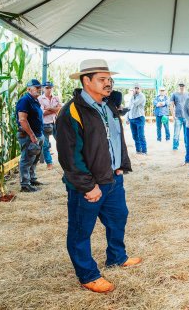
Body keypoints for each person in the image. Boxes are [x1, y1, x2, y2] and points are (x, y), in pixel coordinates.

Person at [54, 59, 141, 293]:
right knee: (81, 230)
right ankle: (88, 274)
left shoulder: (108, 106)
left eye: (109, 79)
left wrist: (120, 165)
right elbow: (69, 156)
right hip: (89, 185)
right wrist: (87, 186)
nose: (108, 84)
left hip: (113, 179)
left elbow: (115, 138)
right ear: (86, 81)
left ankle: (116, 257)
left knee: (118, 217)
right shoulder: (71, 112)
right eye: (102, 79)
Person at [17, 79, 45, 192]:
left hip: (38, 134)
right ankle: (25, 184)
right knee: (27, 159)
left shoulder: (34, 100)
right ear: (28, 89)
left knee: (34, 158)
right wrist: (32, 135)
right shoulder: (24, 100)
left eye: (40, 87)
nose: (39, 89)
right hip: (28, 135)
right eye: (36, 87)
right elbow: (22, 120)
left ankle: (32, 179)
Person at [38, 81, 63, 170]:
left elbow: (61, 109)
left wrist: (50, 108)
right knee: (45, 145)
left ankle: (63, 161)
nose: (49, 89)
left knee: (61, 142)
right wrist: (55, 109)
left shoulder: (56, 98)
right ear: (43, 89)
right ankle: (49, 162)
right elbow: (42, 113)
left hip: (56, 122)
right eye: (47, 88)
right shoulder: (40, 99)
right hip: (45, 124)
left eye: (50, 87)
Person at [126, 85, 147, 154]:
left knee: (141, 135)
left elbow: (135, 104)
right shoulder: (132, 97)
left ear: (140, 89)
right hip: (132, 118)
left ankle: (144, 151)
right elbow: (129, 107)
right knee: (134, 135)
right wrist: (127, 118)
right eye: (135, 88)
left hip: (139, 118)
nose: (136, 89)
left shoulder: (141, 96)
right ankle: (138, 150)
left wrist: (132, 96)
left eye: (138, 88)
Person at [170, 82, 189, 150]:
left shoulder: (188, 95)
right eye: (180, 85)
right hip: (178, 117)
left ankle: (187, 147)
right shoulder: (174, 94)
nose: (181, 87)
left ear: (185, 86)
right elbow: (171, 105)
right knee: (176, 134)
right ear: (178, 87)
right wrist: (173, 115)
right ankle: (175, 147)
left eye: (183, 85)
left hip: (186, 118)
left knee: (186, 134)